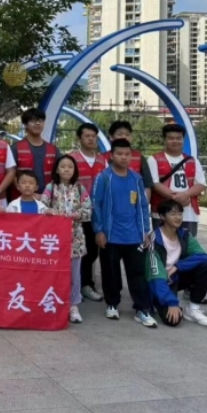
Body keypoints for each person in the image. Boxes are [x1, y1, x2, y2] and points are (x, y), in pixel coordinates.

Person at [90, 139, 157, 327]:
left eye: (127, 154)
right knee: (110, 272)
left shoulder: (136, 179)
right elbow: (96, 205)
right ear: (112, 156)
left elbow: (143, 206)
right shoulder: (104, 177)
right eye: (119, 154)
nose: (124, 157)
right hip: (110, 236)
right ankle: (112, 304)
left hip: (134, 236)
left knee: (137, 273)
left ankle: (141, 309)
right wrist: (99, 230)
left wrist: (145, 231)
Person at [146, 200, 207, 327]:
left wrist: (177, 266)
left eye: (180, 214)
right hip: (157, 282)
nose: (178, 217)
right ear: (162, 216)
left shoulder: (184, 234)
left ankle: (193, 309)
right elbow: (156, 276)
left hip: (174, 278)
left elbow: (203, 256)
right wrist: (172, 302)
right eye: (173, 214)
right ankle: (157, 301)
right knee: (173, 320)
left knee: (206, 268)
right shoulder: (153, 239)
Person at [42, 156, 92, 324]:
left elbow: (88, 210)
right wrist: (50, 212)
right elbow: (42, 207)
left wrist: (78, 214)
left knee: (74, 273)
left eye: (70, 166)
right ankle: (53, 302)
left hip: (75, 238)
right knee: (54, 272)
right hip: (54, 239)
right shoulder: (50, 187)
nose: (66, 169)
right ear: (57, 169)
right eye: (62, 166)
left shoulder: (80, 188)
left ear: (74, 170)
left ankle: (73, 305)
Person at [149, 123, 207, 237]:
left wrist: (186, 194)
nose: (175, 141)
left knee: (188, 246)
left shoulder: (192, 160)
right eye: (171, 138)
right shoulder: (153, 159)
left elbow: (201, 184)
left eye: (178, 138)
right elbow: (154, 183)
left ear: (183, 139)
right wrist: (175, 199)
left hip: (188, 214)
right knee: (162, 245)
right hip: (162, 214)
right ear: (165, 139)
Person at [70, 123, 107, 304]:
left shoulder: (102, 161)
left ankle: (84, 285)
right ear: (80, 138)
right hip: (77, 213)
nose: (91, 139)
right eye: (87, 136)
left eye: (94, 136)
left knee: (92, 251)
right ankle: (80, 285)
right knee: (78, 251)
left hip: (97, 213)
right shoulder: (72, 159)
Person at [10, 108, 58, 197]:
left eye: (40, 121)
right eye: (33, 121)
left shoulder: (53, 150)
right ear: (25, 124)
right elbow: (10, 174)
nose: (37, 123)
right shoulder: (15, 148)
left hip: (47, 199)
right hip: (22, 199)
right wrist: (28, 193)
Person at [102, 120, 154, 200]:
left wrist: (144, 205)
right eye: (120, 134)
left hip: (133, 201)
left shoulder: (139, 157)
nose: (124, 137)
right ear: (111, 137)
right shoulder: (102, 158)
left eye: (127, 134)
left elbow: (147, 184)